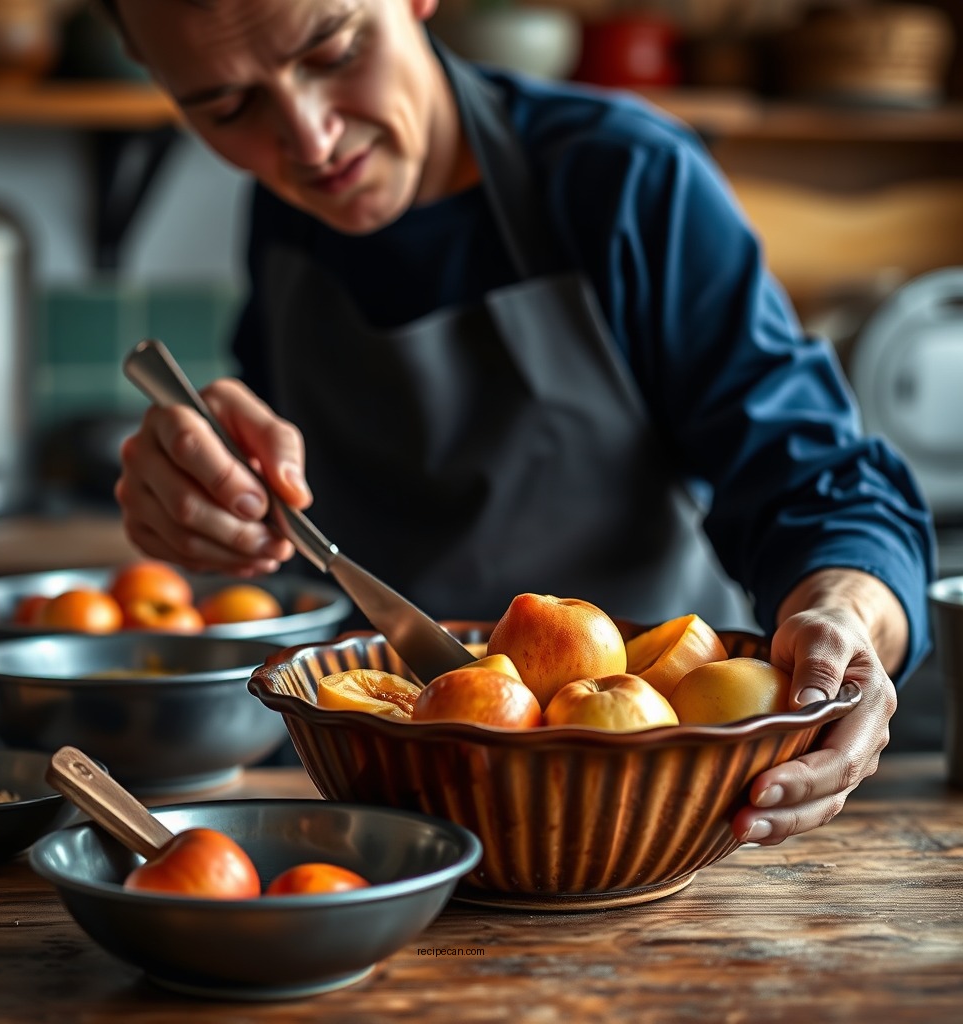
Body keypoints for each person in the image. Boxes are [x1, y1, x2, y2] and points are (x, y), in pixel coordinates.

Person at [104, 0, 936, 847]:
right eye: (225, 106)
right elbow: (285, 463)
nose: (311, 142)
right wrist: (222, 482)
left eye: (335, 49)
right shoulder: (289, 209)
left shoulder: (625, 175)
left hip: (646, 814)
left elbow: (821, 481)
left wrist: (844, 615)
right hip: (390, 821)